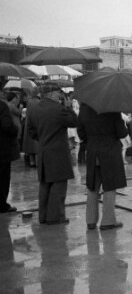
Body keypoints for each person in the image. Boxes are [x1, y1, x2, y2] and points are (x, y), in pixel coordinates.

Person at [27, 82, 77, 225]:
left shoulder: (34, 109)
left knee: (45, 185)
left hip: (43, 151)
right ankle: (55, 217)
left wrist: (43, 139)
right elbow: (74, 122)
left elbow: (30, 131)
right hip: (58, 152)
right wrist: (69, 107)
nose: (60, 95)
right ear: (50, 94)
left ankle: (43, 216)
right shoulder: (59, 109)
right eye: (58, 92)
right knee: (58, 186)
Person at [77, 103, 127, 230]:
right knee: (110, 185)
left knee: (92, 185)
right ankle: (108, 221)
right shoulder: (113, 107)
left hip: (93, 151)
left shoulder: (85, 106)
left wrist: (92, 141)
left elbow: (80, 131)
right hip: (110, 151)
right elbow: (122, 133)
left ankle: (90, 220)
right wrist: (121, 121)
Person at [0, 93, 20, 213]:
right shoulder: (1, 106)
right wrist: (15, 129)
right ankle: (2, 205)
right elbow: (7, 125)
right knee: (2, 178)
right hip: (2, 149)